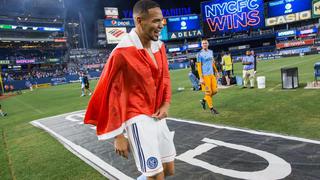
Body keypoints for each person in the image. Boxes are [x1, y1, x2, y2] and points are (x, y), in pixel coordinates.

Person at [84, 1, 176, 180]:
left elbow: (165, 77)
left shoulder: (160, 46)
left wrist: (165, 103)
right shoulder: (121, 53)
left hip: (157, 115)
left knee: (168, 169)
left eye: (162, 21)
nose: (161, 25)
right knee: (155, 176)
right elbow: (108, 93)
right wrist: (118, 135)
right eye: (156, 21)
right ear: (140, 20)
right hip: (137, 118)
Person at [197, 39, 220, 115]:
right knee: (208, 92)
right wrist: (201, 77)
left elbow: (212, 63)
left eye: (206, 43)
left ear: (208, 44)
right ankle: (212, 109)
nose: (204, 44)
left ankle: (203, 100)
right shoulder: (199, 54)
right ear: (201, 45)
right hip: (205, 76)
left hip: (212, 75)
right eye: (203, 43)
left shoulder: (211, 52)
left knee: (215, 91)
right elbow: (199, 66)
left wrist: (216, 72)